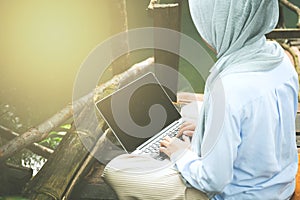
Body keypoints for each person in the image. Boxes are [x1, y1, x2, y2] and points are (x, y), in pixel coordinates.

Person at [103, 0, 299, 199]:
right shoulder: (279, 59)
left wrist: (181, 154)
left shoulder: (229, 87)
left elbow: (213, 180)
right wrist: (207, 132)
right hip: (281, 186)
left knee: (116, 169)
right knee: (191, 114)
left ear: (221, 22)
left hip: (241, 194)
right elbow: (262, 127)